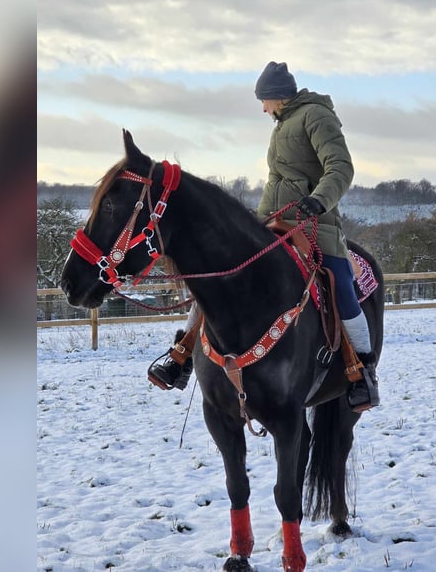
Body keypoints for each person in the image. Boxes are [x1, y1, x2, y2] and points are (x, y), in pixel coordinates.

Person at [148, 61, 379, 412]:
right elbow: (281, 181)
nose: (262, 109)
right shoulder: (283, 123)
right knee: (221, 280)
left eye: (264, 101)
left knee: (339, 283)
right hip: (270, 226)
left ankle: (361, 369)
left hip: (314, 223)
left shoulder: (317, 116)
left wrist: (318, 200)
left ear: (277, 96)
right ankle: (182, 354)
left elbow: (340, 167)